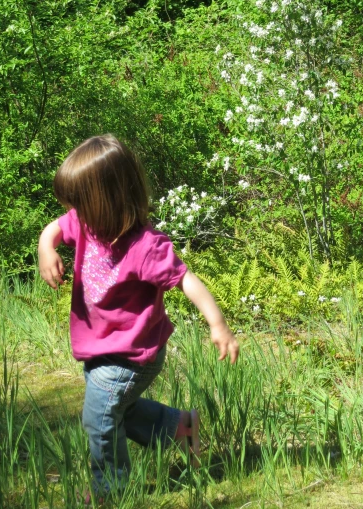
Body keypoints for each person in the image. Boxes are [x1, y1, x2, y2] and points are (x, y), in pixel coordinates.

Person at [38, 134, 239, 500]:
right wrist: (45, 248)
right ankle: (181, 429)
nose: (75, 212)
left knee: (98, 419)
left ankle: (111, 489)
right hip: (101, 350)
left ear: (106, 198)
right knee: (119, 414)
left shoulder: (145, 246)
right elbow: (54, 228)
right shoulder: (86, 222)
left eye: (80, 203)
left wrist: (218, 324)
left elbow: (186, 280)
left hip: (133, 354)